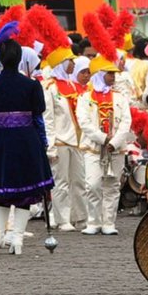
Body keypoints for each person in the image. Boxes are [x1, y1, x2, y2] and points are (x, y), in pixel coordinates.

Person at [0, 39, 54, 255]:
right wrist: (43, 143)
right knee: (26, 191)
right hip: (27, 141)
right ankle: (17, 239)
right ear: (20, 58)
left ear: (0, 58)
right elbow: (39, 119)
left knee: (1, 191)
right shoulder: (31, 86)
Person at [76, 54, 132, 235]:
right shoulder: (85, 97)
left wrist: (114, 142)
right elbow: (83, 122)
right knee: (92, 184)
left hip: (115, 149)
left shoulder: (120, 97)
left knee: (113, 184)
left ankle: (109, 222)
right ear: (100, 74)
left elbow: (126, 122)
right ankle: (93, 221)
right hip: (93, 148)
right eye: (109, 73)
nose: (113, 77)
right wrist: (102, 138)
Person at [43, 53, 89, 233]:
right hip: (61, 141)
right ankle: (62, 219)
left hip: (77, 141)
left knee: (79, 180)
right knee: (60, 182)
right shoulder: (50, 88)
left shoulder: (72, 85)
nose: (73, 63)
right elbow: (48, 119)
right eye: (70, 60)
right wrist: (51, 146)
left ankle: (80, 217)